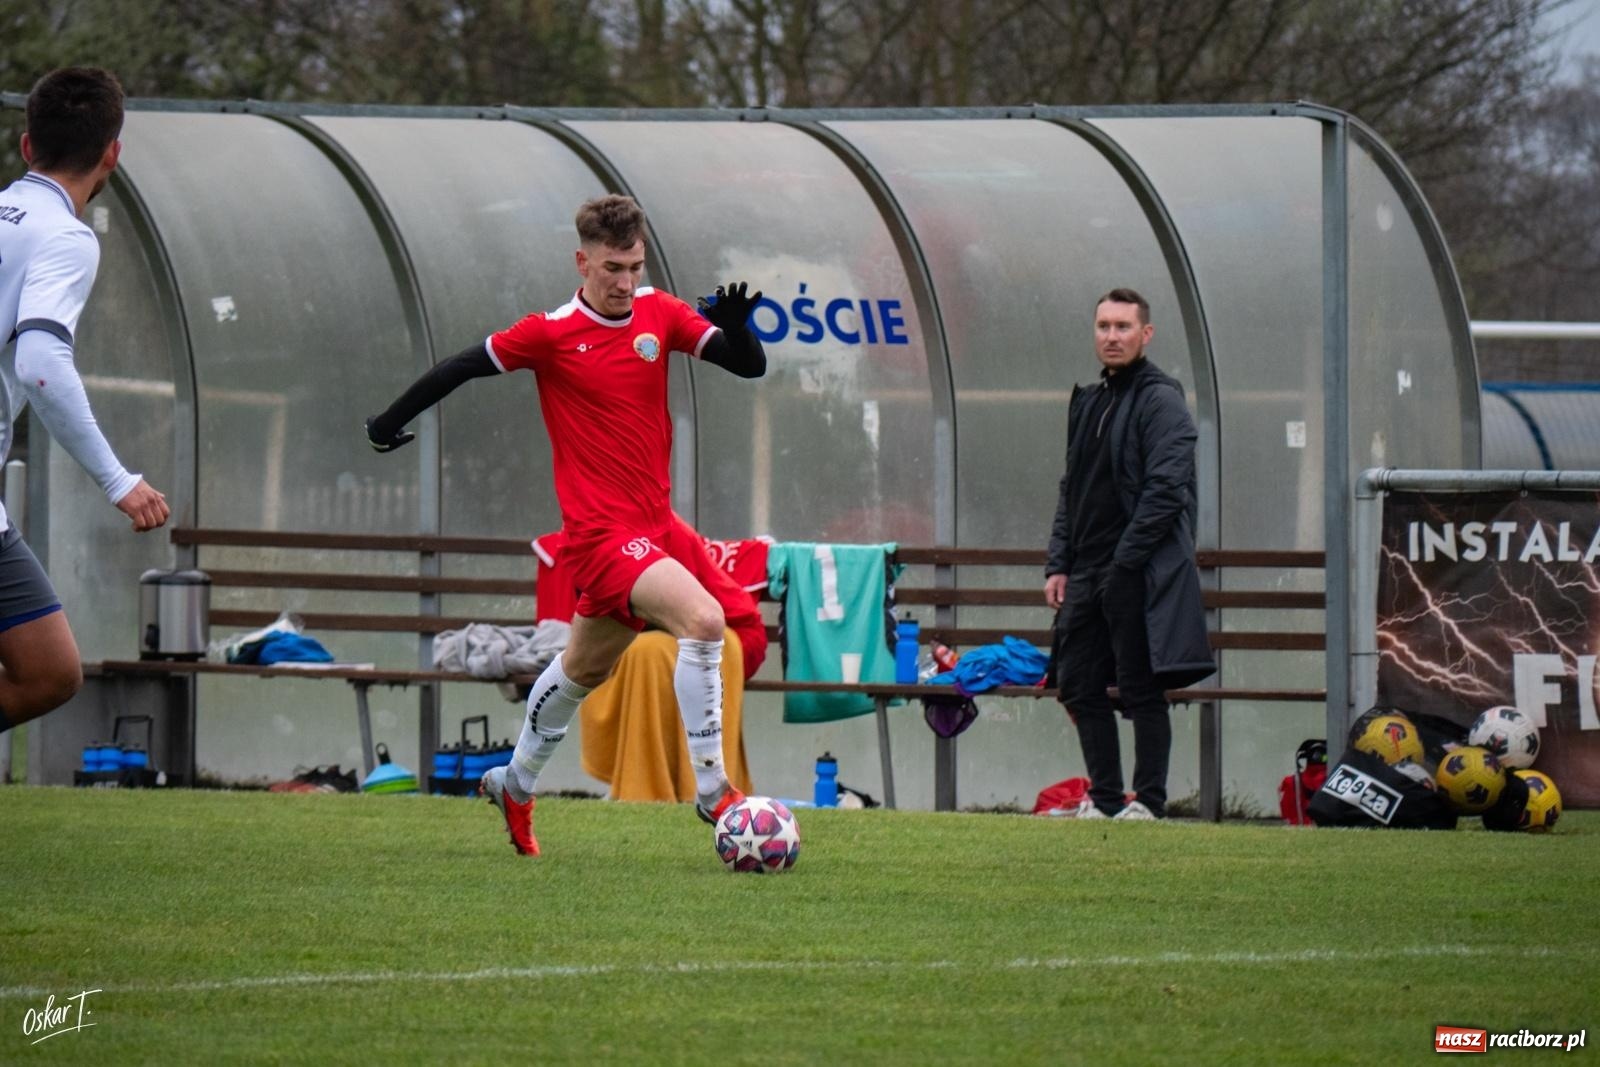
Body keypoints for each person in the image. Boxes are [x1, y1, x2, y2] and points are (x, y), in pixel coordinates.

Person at [366, 193, 766, 856]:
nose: (626, 281)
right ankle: (714, 789)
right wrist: (387, 421)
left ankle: (515, 781)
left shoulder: (659, 315)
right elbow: (462, 365)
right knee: (704, 622)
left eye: (635, 266)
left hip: (653, 529)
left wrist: (740, 328)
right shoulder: (550, 333)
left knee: (579, 669)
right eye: (612, 267)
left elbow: (748, 365)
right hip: (602, 537)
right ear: (582, 261)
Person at [0, 67, 170, 736]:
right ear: (112, 154)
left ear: (26, 144)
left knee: (49, 669)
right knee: (50, 672)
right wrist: (118, 479)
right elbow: (42, 365)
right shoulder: (65, 237)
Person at [1044, 288, 1213, 820]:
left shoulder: (1161, 399)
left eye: (1122, 327)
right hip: (1089, 570)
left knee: (1141, 690)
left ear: (1146, 334)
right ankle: (1107, 799)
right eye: (1103, 326)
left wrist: (1125, 564)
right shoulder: (1091, 400)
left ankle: (1151, 803)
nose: (1111, 336)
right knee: (1077, 685)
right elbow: (1073, 488)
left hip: (1135, 569)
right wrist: (1059, 562)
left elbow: (1168, 490)